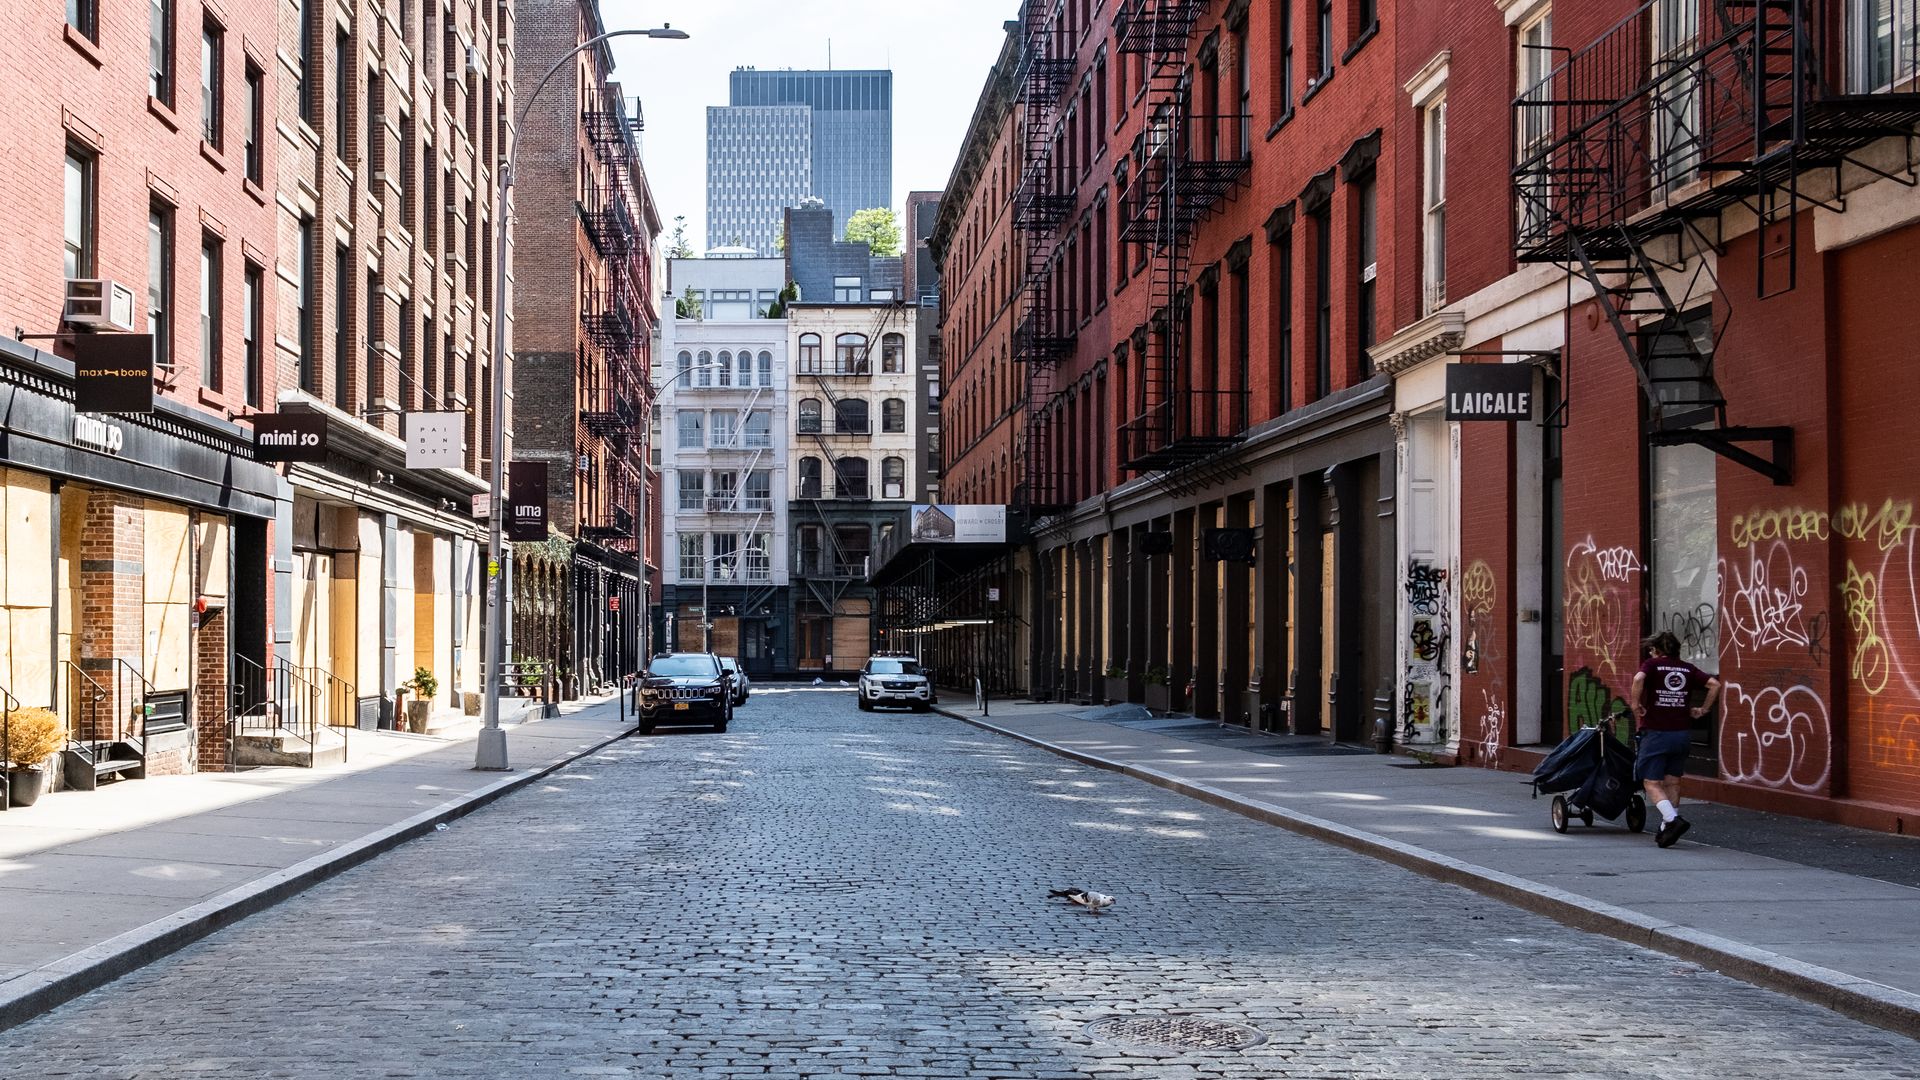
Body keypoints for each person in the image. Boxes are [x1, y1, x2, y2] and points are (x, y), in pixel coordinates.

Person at [1630, 631, 1721, 848]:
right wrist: (1704, 709)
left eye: (1652, 649)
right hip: (1681, 734)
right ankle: (1667, 829)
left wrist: (1635, 704)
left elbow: (1638, 678)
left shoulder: (1652, 666)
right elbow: (1714, 685)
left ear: (1656, 650)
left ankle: (1672, 819)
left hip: (1656, 732)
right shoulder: (1687, 668)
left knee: (1651, 782)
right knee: (1672, 781)